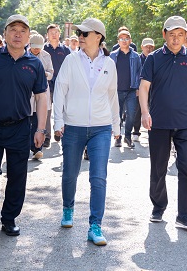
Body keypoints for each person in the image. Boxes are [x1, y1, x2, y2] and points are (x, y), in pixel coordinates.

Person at [0, 14, 48, 237]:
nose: (17, 34)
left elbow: (41, 98)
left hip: (20, 127)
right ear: (5, 34)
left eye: (23, 31)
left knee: (17, 175)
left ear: (28, 37)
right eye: (13, 29)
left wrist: (41, 129)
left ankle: (9, 218)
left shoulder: (34, 64)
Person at [53, 18, 120, 246]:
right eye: (79, 33)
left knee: (98, 177)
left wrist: (116, 125)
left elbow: (112, 95)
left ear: (98, 37)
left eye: (85, 33)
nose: (80, 36)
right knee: (70, 173)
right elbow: (60, 90)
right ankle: (68, 208)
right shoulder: (71, 60)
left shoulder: (109, 63)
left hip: (101, 128)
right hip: (73, 127)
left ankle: (95, 226)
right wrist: (58, 121)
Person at [139, 15, 187, 230]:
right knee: (158, 166)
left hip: (185, 122)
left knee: (186, 165)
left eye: (180, 34)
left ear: (186, 36)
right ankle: (158, 206)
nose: (176, 39)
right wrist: (145, 112)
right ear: (164, 35)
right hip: (158, 122)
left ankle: (184, 214)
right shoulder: (153, 59)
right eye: (172, 34)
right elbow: (144, 87)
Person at [109, 28, 142, 148]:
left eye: (126, 38)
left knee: (131, 115)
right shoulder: (112, 55)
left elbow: (139, 72)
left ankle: (127, 136)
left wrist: (138, 87)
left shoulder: (135, 56)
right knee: (116, 115)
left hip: (131, 90)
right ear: (118, 41)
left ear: (130, 41)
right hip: (116, 90)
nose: (124, 41)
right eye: (121, 39)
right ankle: (117, 138)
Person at [43, 23, 71, 147]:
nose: (54, 35)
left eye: (56, 32)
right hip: (47, 83)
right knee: (46, 111)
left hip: (62, 83)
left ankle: (59, 130)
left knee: (62, 109)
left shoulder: (65, 50)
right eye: (51, 33)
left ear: (59, 34)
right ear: (47, 35)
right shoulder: (43, 49)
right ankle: (47, 136)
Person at [28, 33, 54, 160]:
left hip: (42, 90)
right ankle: (28, 146)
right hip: (27, 91)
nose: (36, 50)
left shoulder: (46, 55)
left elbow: (51, 72)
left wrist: (45, 74)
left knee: (39, 120)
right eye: (34, 47)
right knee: (27, 120)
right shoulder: (24, 54)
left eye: (39, 48)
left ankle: (37, 148)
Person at [131, 37, 155, 140]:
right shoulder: (138, 59)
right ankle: (136, 132)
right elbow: (135, 74)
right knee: (138, 110)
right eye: (146, 47)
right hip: (140, 88)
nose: (149, 49)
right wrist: (137, 88)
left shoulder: (155, 58)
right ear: (142, 47)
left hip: (153, 89)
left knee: (153, 110)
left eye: (151, 47)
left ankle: (152, 131)